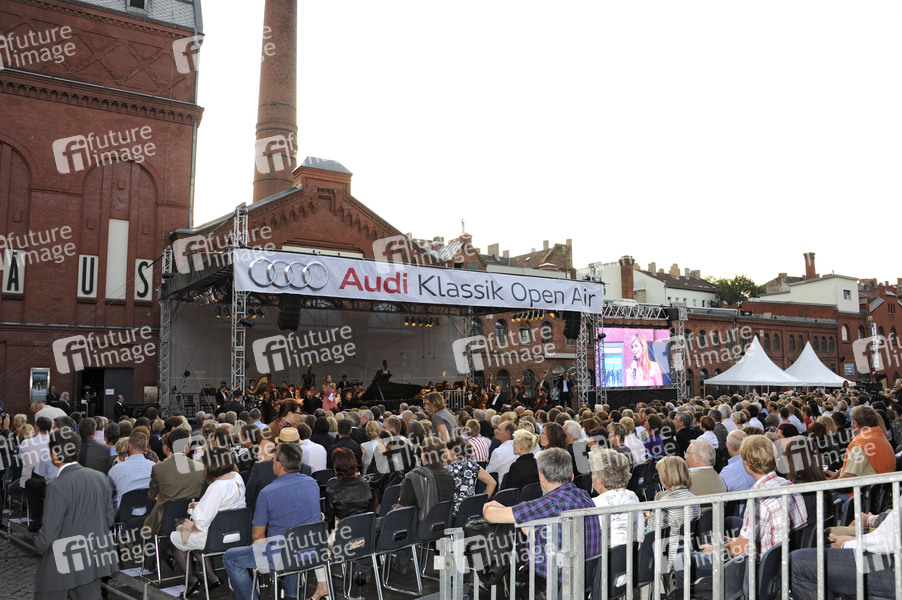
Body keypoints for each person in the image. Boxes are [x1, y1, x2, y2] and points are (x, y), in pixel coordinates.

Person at [482, 447, 601, 590]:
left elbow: (490, 515)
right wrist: (507, 510)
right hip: (584, 580)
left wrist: (492, 507)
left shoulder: (550, 503)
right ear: (572, 476)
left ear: (541, 478)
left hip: (550, 586)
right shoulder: (584, 496)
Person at [223, 443, 323, 600]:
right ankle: (291, 596)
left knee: (230, 557)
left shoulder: (267, 493)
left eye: (274, 458)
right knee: (290, 543)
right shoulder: (312, 484)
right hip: (310, 551)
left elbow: (257, 536)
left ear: (279, 465)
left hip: (282, 556)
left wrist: (263, 563)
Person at [34, 428, 118, 599]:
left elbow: (49, 532)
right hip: (93, 556)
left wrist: (38, 544)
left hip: (63, 559)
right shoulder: (100, 478)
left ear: (54, 455)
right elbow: (109, 519)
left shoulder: (57, 486)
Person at [699, 435, 806, 560]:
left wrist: (715, 549)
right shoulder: (789, 485)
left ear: (747, 464)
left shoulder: (758, 499)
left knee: (689, 559)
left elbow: (743, 548)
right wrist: (732, 540)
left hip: (761, 563)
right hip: (785, 559)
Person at [790, 495, 901, 599]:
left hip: (889, 566)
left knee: (796, 564)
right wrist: (852, 541)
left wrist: (846, 544)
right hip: (885, 561)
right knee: (831, 564)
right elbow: (889, 535)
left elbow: (891, 540)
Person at [169, 446, 245, 597]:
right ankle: (212, 578)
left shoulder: (216, 486)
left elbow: (201, 520)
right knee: (188, 535)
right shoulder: (237, 477)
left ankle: (192, 580)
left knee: (176, 537)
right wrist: (201, 505)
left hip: (215, 538)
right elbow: (226, 505)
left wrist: (193, 525)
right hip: (236, 534)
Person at [589, 448, 644, 555]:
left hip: (606, 561)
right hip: (633, 557)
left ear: (600, 480)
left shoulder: (595, 503)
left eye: (592, 473)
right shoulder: (632, 496)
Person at [651, 456, 700, 570]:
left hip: (668, 563)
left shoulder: (663, 506)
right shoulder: (694, 499)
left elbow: (652, 539)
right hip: (690, 555)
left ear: (665, 476)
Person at [824, 405, 895, 482]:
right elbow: (852, 467)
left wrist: (827, 486)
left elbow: (849, 476)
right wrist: (835, 476)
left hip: (864, 488)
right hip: (881, 485)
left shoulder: (861, 444)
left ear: (855, 423)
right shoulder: (880, 438)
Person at [445, 436, 496, 515]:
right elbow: (492, 483)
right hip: (471, 511)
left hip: (453, 513)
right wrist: (481, 502)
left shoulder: (447, 470)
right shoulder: (473, 466)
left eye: (445, 449)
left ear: (451, 451)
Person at [107, 431, 154, 511]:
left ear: (130, 446)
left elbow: (107, 495)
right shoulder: (154, 467)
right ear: (145, 447)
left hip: (122, 513)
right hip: (149, 513)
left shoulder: (115, 470)